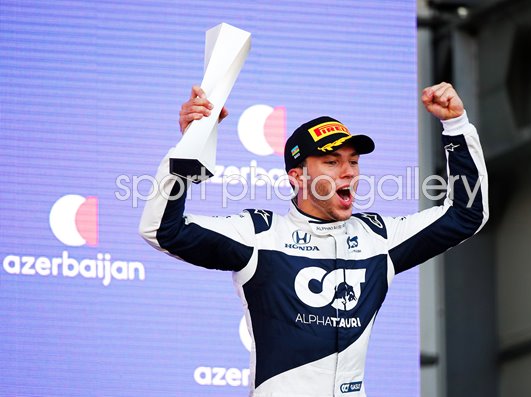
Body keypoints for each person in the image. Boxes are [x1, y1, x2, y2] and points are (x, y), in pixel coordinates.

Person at [139, 82, 489, 397]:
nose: (349, 171)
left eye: (353, 161)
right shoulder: (260, 235)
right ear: (297, 176)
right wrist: (190, 145)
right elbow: (163, 229)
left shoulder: (378, 238)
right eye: (332, 161)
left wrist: (456, 125)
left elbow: (466, 214)